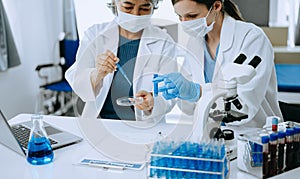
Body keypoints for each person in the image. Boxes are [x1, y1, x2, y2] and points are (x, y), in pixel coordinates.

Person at [154, 0, 283, 128]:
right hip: (211, 138)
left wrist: (197, 92)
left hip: (253, 136)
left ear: (216, 6)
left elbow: (242, 109)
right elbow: (190, 109)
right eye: (179, 16)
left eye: (192, 16)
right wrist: (179, 93)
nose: (184, 23)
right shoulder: (194, 42)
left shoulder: (252, 38)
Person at [65, 0, 177, 121]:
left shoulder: (164, 42)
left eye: (144, 8)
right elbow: (77, 79)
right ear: (115, 2)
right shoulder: (95, 34)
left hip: (144, 126)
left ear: (154, 5)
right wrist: (97, 74)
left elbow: (169, 91)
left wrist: (152, 102)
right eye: (128, 7)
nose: (135, 14)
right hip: (101, 122)